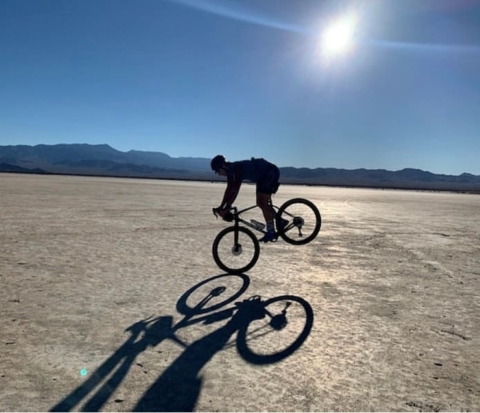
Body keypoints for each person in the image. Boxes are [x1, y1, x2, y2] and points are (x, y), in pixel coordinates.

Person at [211, 155, 287, 242]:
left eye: (218, 171)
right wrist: (221, 206)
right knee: (260, 203)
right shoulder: (230, 172)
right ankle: (280, 220)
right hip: (262, 177)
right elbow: (229, 190)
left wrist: (227, 207)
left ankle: (271, 232)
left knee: (262, 203)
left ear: (223, 166)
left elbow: (235, 189)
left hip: (270, 172)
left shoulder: (237, 168)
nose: (219, 174)